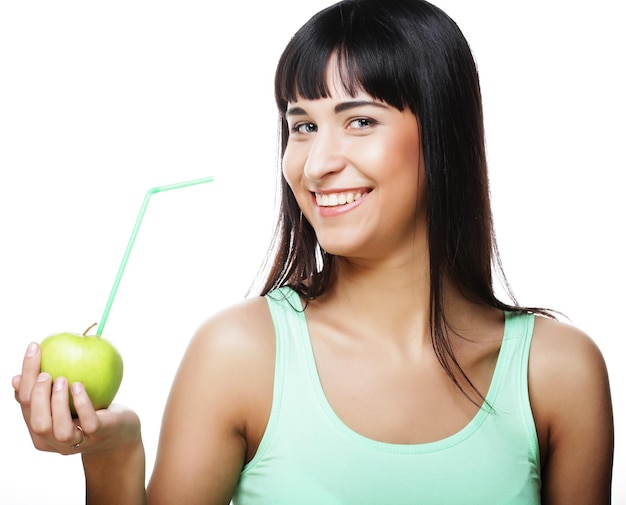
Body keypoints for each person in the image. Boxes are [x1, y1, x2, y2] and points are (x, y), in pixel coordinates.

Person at [13, 0, 614, 503]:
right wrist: (113, 456)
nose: (317, 164)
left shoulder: (558, 374)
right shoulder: (239, 355)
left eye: (359, 122)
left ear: (441, 136)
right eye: (301, 125)